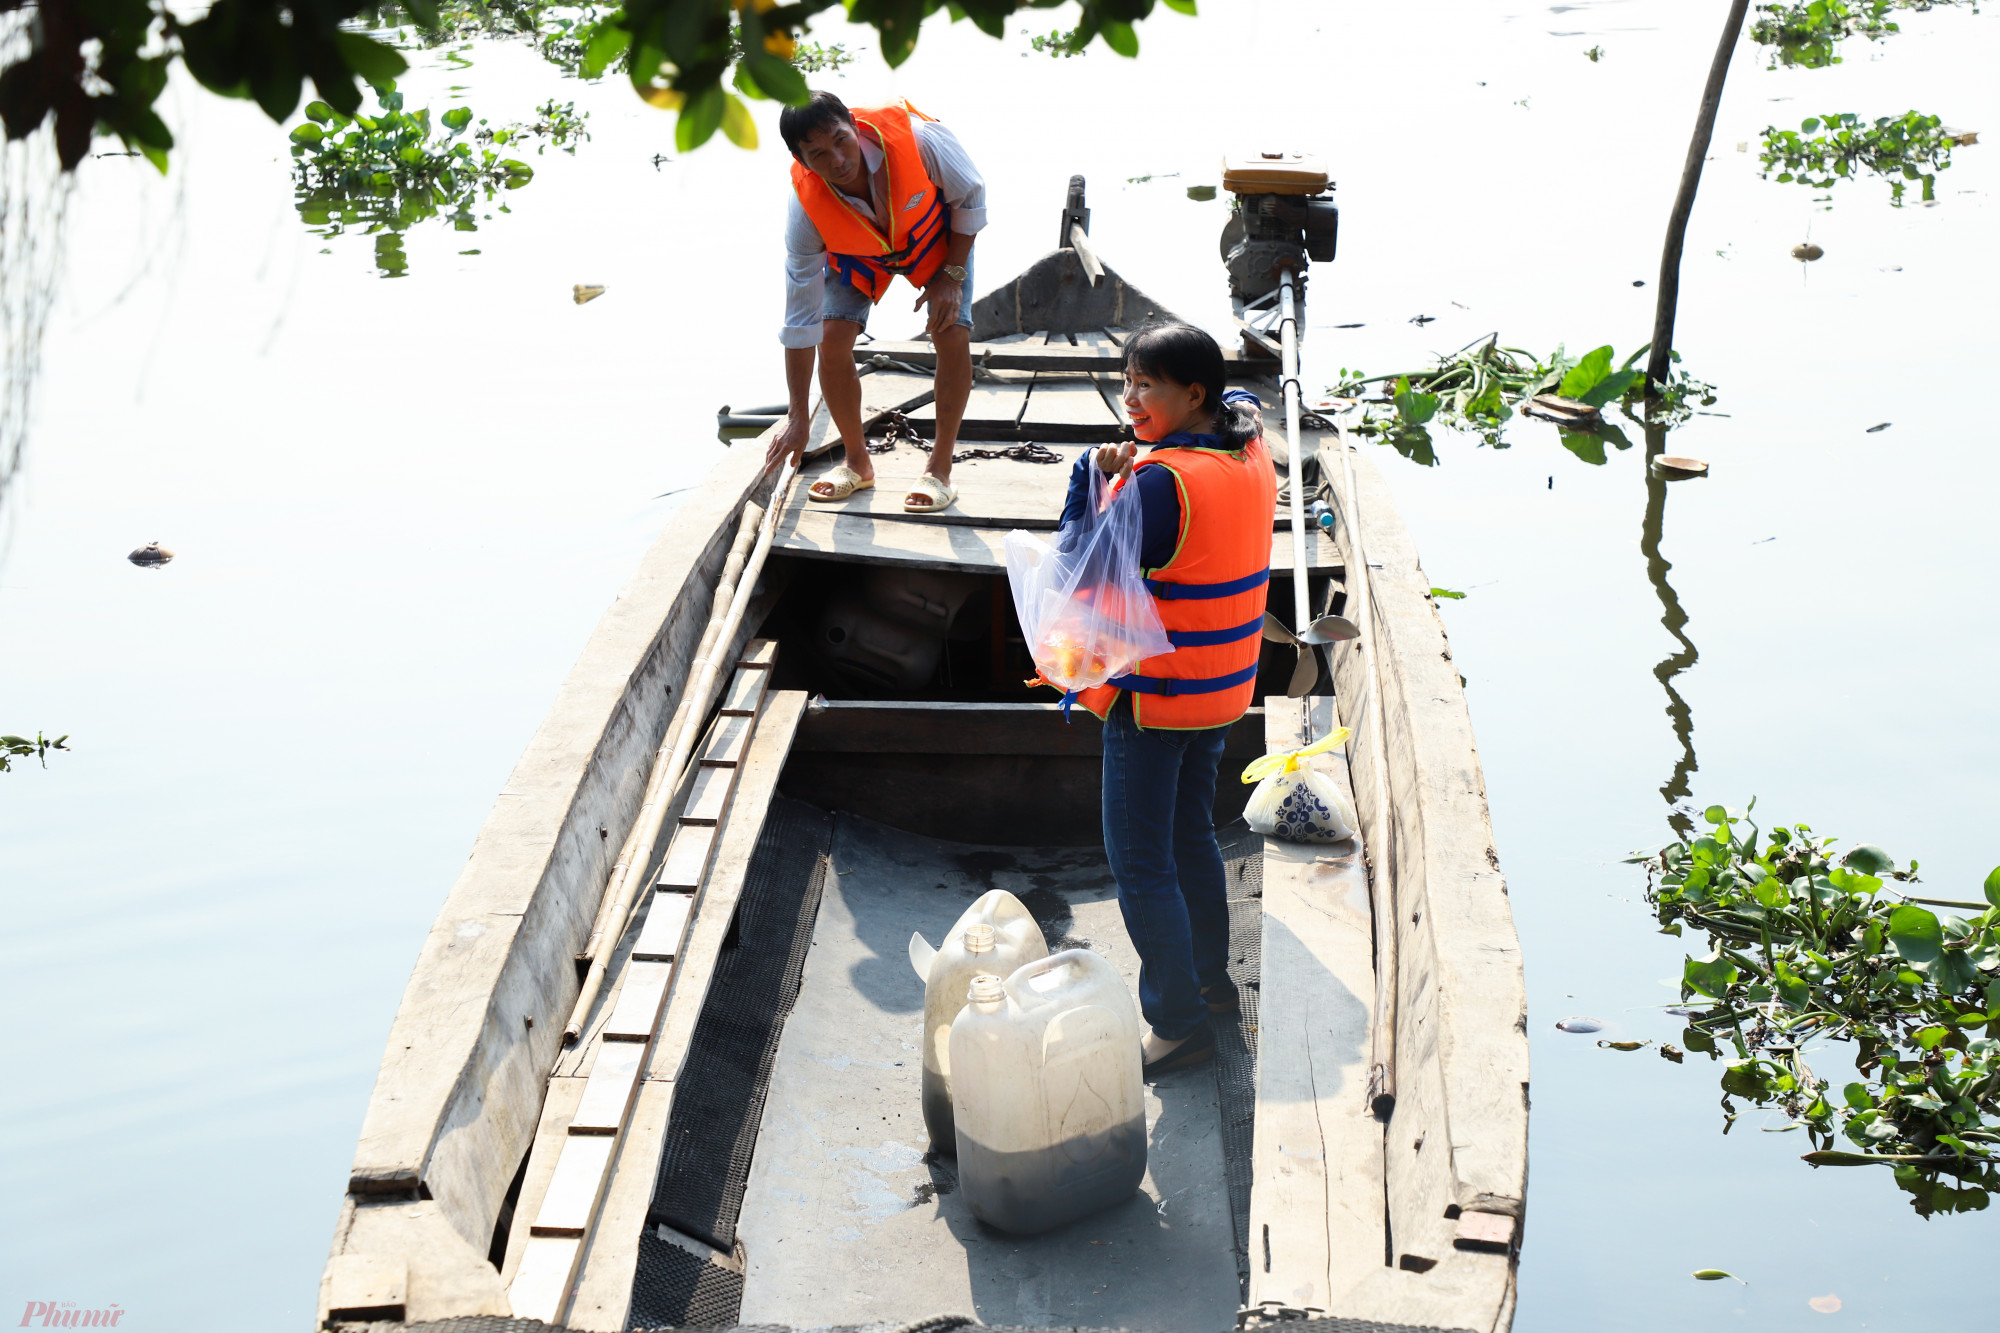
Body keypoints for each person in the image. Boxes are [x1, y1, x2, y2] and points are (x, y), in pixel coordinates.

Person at [1060, 323, 1274, 1077]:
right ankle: (1211, 985)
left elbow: (1086, 570)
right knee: (1190, 836)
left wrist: (1094, 476)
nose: (1131, 399)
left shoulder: (1162, 481)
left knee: (1141, 860)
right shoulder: (1250, 443)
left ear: (1194, 395)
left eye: (1148, 386)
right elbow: (1245, 397)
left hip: (1153, 700)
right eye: (1126, 383)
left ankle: (1175, 1022)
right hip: (1220, 693)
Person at [765, 91, 985, 515]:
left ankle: (940, 470)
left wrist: (951, 276)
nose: (838, 160)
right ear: (800, 159)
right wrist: (798, 417)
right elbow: (800, 320)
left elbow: (972, 198)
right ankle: (856, 463)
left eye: (840, 140)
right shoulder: (805, 210)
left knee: (951, 329)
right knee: (831, 340)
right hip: (860, 253)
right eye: (818, 154)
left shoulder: (921, 140)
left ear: (852, 123)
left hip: (936, 237)